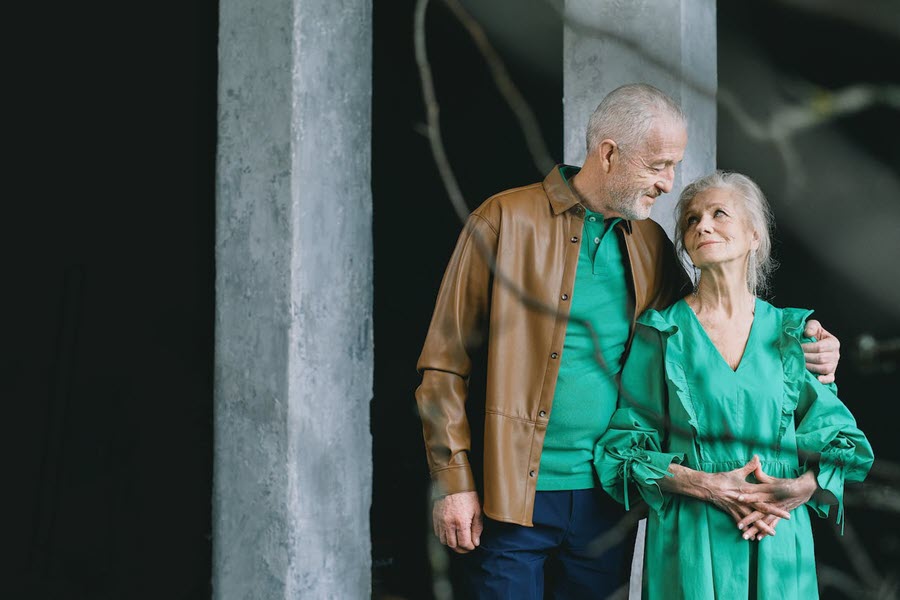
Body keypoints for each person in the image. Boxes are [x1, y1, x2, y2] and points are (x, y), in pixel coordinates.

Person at [414, 84, 841, 598]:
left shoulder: (650, 244)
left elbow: (716, 329)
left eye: (674, 167)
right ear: (609, 153)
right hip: (509, 493)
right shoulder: (503, 220)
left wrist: (812, 346)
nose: (668, 184)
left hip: (608, 499)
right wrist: (453, 478)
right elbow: (443, 364)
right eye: (659, 165)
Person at [594, 171, 873, 599]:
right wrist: (706, 484)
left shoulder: (791, 333)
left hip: (778, 536)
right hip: (691, 539)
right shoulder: (661, 333)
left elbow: (844, 444)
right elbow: (624, 452)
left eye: (718, 214)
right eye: (690, 220)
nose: (702, 225)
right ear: (685, 244)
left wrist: (797, 490)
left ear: (754, 235)